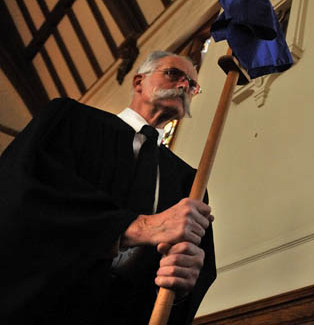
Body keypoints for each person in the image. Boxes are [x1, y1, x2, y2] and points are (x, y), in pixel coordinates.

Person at [0, 51, 215, 324]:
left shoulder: (191, 183)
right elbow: (22, 191)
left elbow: (196, 269)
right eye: (174, 74)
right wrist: (135, 226)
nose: (184, 85)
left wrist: (183, 284)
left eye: (192, 84)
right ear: (139, 82)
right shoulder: (68, 119)